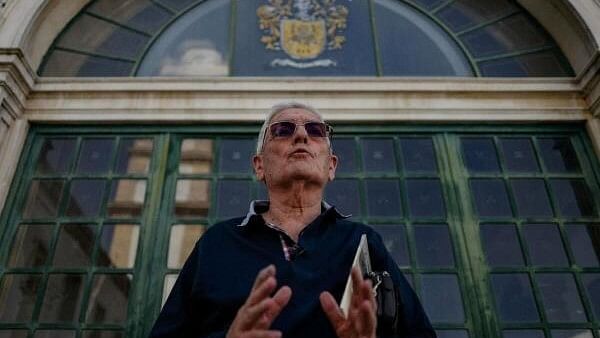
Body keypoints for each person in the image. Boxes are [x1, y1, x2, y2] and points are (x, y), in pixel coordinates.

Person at [150, 102, 435, 338]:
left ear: (331, 166)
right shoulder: (217, 243)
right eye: (283, 130)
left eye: (316, 130)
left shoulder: (361, 242)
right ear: (259, 166)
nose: (301, 136)